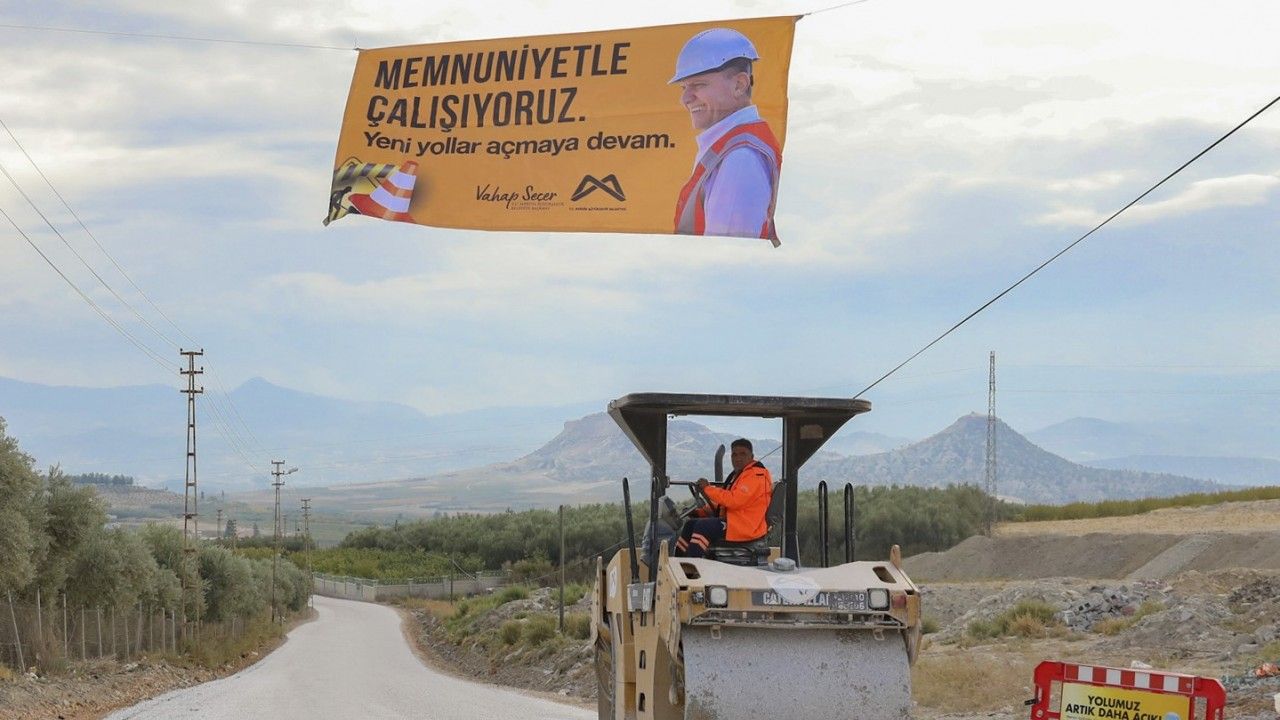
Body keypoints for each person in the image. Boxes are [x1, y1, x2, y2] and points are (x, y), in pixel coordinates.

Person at [670, 28, 782, 246]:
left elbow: (726, 254)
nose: (685, 98)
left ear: (739, 85)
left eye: (698, 85)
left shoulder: (740, 158)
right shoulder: (727, 148)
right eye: (684, 87)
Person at [675, 438, 773, 558]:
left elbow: (734, 500)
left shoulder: (756, 475)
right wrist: (702, 512)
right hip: (736, 521)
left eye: (743, 454)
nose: (738, 458)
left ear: (751, 456)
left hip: (746, 527)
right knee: (690, 524)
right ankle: (677, 562)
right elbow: (725, 503)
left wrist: (707, 489)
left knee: (703, 526)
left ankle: (691, 567)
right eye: (734, 455)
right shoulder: (742, 474)